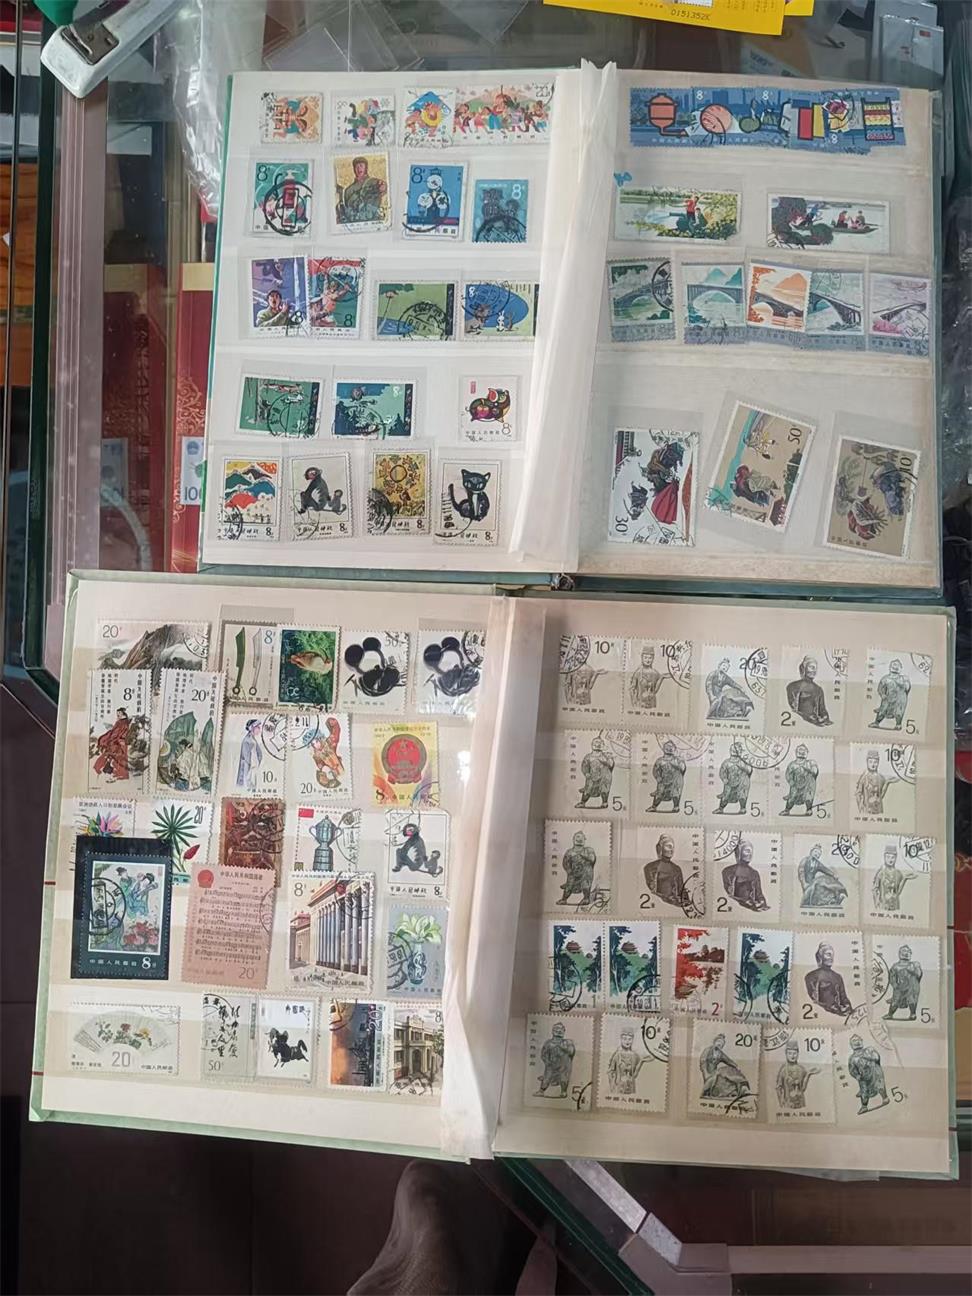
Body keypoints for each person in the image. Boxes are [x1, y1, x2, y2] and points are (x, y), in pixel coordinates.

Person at [804, 941, 853, 1017]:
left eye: (832, 955)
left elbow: (844, 999)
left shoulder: (838, 977)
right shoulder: (811, 976)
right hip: (823, 1015)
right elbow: (814, 1001)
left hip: (839, 1014)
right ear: (820, 957)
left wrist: (847, 1008)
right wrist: (833, 1009)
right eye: (828, 954)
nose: (831, 958)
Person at [337, 156, 387, 225]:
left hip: (373, 221)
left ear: (366, 167)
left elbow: (383, 187)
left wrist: (383, 186)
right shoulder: (348, 190)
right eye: (356, 166)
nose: (359, 169)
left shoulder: (374, 182)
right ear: (354, 169)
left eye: (361, 166)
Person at [699, 1033, 750, 1101]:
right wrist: (706, 1073)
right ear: (714, 1042)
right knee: (709, 1083)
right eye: (718, 1042)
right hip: (707, 1071)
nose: (719, 1044)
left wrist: (736, 1066)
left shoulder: (720, 1053)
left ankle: (732, 1091)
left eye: (722, 1043)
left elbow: (728, 1060)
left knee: (722, 1078)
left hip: (714, 1072)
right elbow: (703, 1062)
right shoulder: (707, 1050)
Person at [721, 839, 768, 911]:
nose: (750, 854)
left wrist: (762, 902)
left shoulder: (754, 873)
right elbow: (729, 895)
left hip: (751, 908)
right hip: (737, 908)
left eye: (751, 851)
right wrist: (745, 902)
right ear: (738, 852)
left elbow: (759, 895)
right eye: (747, 851)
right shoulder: (727, 872)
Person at [785, 655, 832, 726]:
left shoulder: (818, 689)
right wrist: (808, 718)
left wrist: (825, 717)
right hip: (800, 723)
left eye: (815, 668)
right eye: (811, 667)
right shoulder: (792, 686)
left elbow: (822, 710)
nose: (814, 671)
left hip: (815, 723)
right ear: (804, 668)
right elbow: (792, 709)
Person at [798, 843, 847, 909]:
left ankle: (833, 899)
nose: (817, 854)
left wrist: (833, 874)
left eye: (819, 854)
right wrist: (804, 883)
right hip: (806, 883)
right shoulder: (805, 860)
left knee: (822, 886)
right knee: (808, 898)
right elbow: (801, 873)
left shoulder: (817, 863)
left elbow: (825, 869)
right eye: (815, 852)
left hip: (812, 882)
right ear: (811, 852)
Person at [848, 1034, 889, 1113]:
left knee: (880, 1086)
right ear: (851, 1044)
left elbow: (877, 1057)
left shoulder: (870, 1049)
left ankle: (885, 1098)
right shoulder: (852, 1058)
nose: (856, 1042)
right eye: (854, 1040)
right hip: (864, 1077)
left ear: (861, 1041)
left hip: (875, 1073)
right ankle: (864, 1106)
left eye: (858, 1040)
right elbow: (852, 1070)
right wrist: (857, 1075)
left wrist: (868, 1057)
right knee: (864, 1091)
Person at [643, 833, 685, 908]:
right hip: (659, 905)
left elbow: (682, 892)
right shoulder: (649, 868)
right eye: (669, 846)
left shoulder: (677, 869)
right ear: (661, 848)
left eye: (673, 847)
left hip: (675, 906)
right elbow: (651, 891)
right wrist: (667, 899)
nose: (671, 850)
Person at [776, 1040, 818, 1110]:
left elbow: (803, 1088)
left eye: (794, 1053)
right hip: (788, 1103)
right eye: (790, 1053)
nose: (792, 1056)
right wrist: (781, 1101)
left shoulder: (801, 1069)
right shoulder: (783, 1070)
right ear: (786, 1054)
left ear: (798, 1054)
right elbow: (778, 1087)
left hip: (800, 1102)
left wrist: (808, 1074)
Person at [535, 1022, 574, 1097]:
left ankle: (563, 1092)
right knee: (547, 1077)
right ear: (553, 1031)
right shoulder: (548, 1043)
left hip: (564, 1066)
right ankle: (541, 1091)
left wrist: (563, 1048)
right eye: (557, 1029)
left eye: (561, 1029)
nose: (559, 1031)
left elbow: (571, 1052)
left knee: (564, 1078)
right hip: (551, 1065)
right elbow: (543, 1054)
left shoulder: (567, 1042)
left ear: (564, 1031)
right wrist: (547, 1062)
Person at [871, 659, 911, 730]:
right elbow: (880, 688)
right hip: (888, 698)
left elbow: (908, 688)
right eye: (893, 665)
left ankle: (898, 725)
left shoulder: (904, 679)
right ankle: (876, 723)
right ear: (890, 667)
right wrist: (882, 694)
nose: (895, 667)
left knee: (899, 712)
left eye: (897, 665)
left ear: (900, 668)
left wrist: (903, 685)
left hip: (900, 700)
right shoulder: (885, 678)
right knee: (882, 711)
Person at [885, 944, 922, 1020]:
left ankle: (913, 1014)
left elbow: (919, 975)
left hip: (912, 987)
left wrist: (913, 971)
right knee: (895, 1001)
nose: (906, 953)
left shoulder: (915, 964)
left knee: (912, 1000)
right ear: (900, 953)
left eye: (908, 951)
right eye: (904, 951)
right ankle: (890, 1014)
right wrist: (894, 985)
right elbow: (891, 977)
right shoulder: (895, 966)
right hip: (900, 987)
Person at [575, 736, 614, 809]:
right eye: (596, 743)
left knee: (604, 790)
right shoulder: (588, 756)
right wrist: (586, 773)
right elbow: (584, 766)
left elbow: (611, 765)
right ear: (592, 745)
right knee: (588, 789)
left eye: (600, 743)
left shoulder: (606, 756)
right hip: (592, 776)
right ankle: (582, 802)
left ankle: (604, 802)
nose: (598, 744)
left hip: (604, 777)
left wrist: (608, 760)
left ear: (603, 745)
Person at [93, 707, 130, 782]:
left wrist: (114, 739)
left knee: (119, 758)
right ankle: (99, 767)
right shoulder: (119, 722)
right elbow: (114, 732)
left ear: (123, 713)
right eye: (117, 713)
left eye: (119, 713)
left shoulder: (124, 723)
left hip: (119, 742)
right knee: (110, 755)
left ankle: (122, 774)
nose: (117, 715)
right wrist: (109, 737)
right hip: (115, 741)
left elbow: (120, 733)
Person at [715, 741, 753, 814]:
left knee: (742, 795)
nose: (734, 752)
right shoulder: (726, 762)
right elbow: (722, 772)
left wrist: (743, 767)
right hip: (730, 782)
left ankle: (743, 808)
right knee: (726, 796)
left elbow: (749, 770)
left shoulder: (743, 762)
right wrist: (724, 778)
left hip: (742, 783)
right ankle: (720, 808)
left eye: (736, 750)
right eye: (733, 750)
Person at [560, 831, 597, 906]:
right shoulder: (569, 852)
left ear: (584, 839)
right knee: (569, 885)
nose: (579, 839)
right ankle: (564, 899)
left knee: (585, 884)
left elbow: (592, 859)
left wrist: (583, 855)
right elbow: (565, 863)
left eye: (581, 837)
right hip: (574, 872)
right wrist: (569, 870)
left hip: (585, 873)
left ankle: (586, 898)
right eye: (577, 837)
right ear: (573, 839)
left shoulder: (589, 850)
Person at [782, 743, 818, 816]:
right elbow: (788, 774)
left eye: (804, 750)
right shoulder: (792, 764)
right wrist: (791, 782)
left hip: (808, 785)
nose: (802, 752)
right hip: (796, 785)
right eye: (800, 750)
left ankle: (809, 809)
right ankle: (787, 810)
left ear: (807, 752)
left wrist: (808, 769)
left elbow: (815, 771)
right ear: (796, 752)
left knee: (808, 797)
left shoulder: (811, 762)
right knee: (792, 798)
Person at [872, 844, 910, 911]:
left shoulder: (898, 874)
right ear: (884, 857)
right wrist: (876, 901)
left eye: (893, 857)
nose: (890, 860)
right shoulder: (881, 873)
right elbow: (875, 889)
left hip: (895, 905)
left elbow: (898, 892)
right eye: (888, 857)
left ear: (896, 858)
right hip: (883, 905)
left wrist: (904, 879)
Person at [650, 740, 685, 812]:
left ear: (674, 749)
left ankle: (676, 807)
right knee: (659, 793)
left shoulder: (678, 760)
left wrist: (678, 766)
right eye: (667, 747)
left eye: (671, 747)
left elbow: (683, 769)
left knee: (675, 794)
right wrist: (658, 777)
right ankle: (654, 807)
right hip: (663, 781)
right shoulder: (660, 760)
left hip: (675, 781)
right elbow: (655, 771)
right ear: (664, 749)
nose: (669, 748)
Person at [607, 1029, 645, 1095]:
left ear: (632, 1040)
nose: (627, 1041)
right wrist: (612, 1085)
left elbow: (634, 1074)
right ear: (621, 1039)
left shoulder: (635, 1055)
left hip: (630, 1086)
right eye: (624, 1039)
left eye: (630, 1039)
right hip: (619, 1086)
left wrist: (641, 1061)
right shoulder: (617, 1055)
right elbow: (610, 1071)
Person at [629, 645, 663, 711]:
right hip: (640, 704)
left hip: (652, 704)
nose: (648, 660)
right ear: (642, 658)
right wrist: (634, 702)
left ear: (653, 659)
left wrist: (662, 678)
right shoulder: (638, 672)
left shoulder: (655, 673)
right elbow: (631, 689)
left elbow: (655, 690)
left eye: (650, 658)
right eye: (645, 657)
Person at [856, 749, 889, 816]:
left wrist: (887, 783)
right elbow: (858, 793)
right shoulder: (864, 777)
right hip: (867, 809)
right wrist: (860, 807)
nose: (873, 764)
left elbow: (881, 795)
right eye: (870, 762)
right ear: (867, 762)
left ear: (878, 763)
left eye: (875, 762)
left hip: (878, 809)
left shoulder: (881, 778)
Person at [237, 718, 263, 792]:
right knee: (246, 786)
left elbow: (259, 753)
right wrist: (254, 764)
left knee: (252, 785)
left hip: (253, 767)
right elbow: (247, 757)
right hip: (248, 768)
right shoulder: (247, 740)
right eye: (258, 727)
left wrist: (257, 763)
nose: (259, 729)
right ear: (252, 728)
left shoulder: (253, 739)